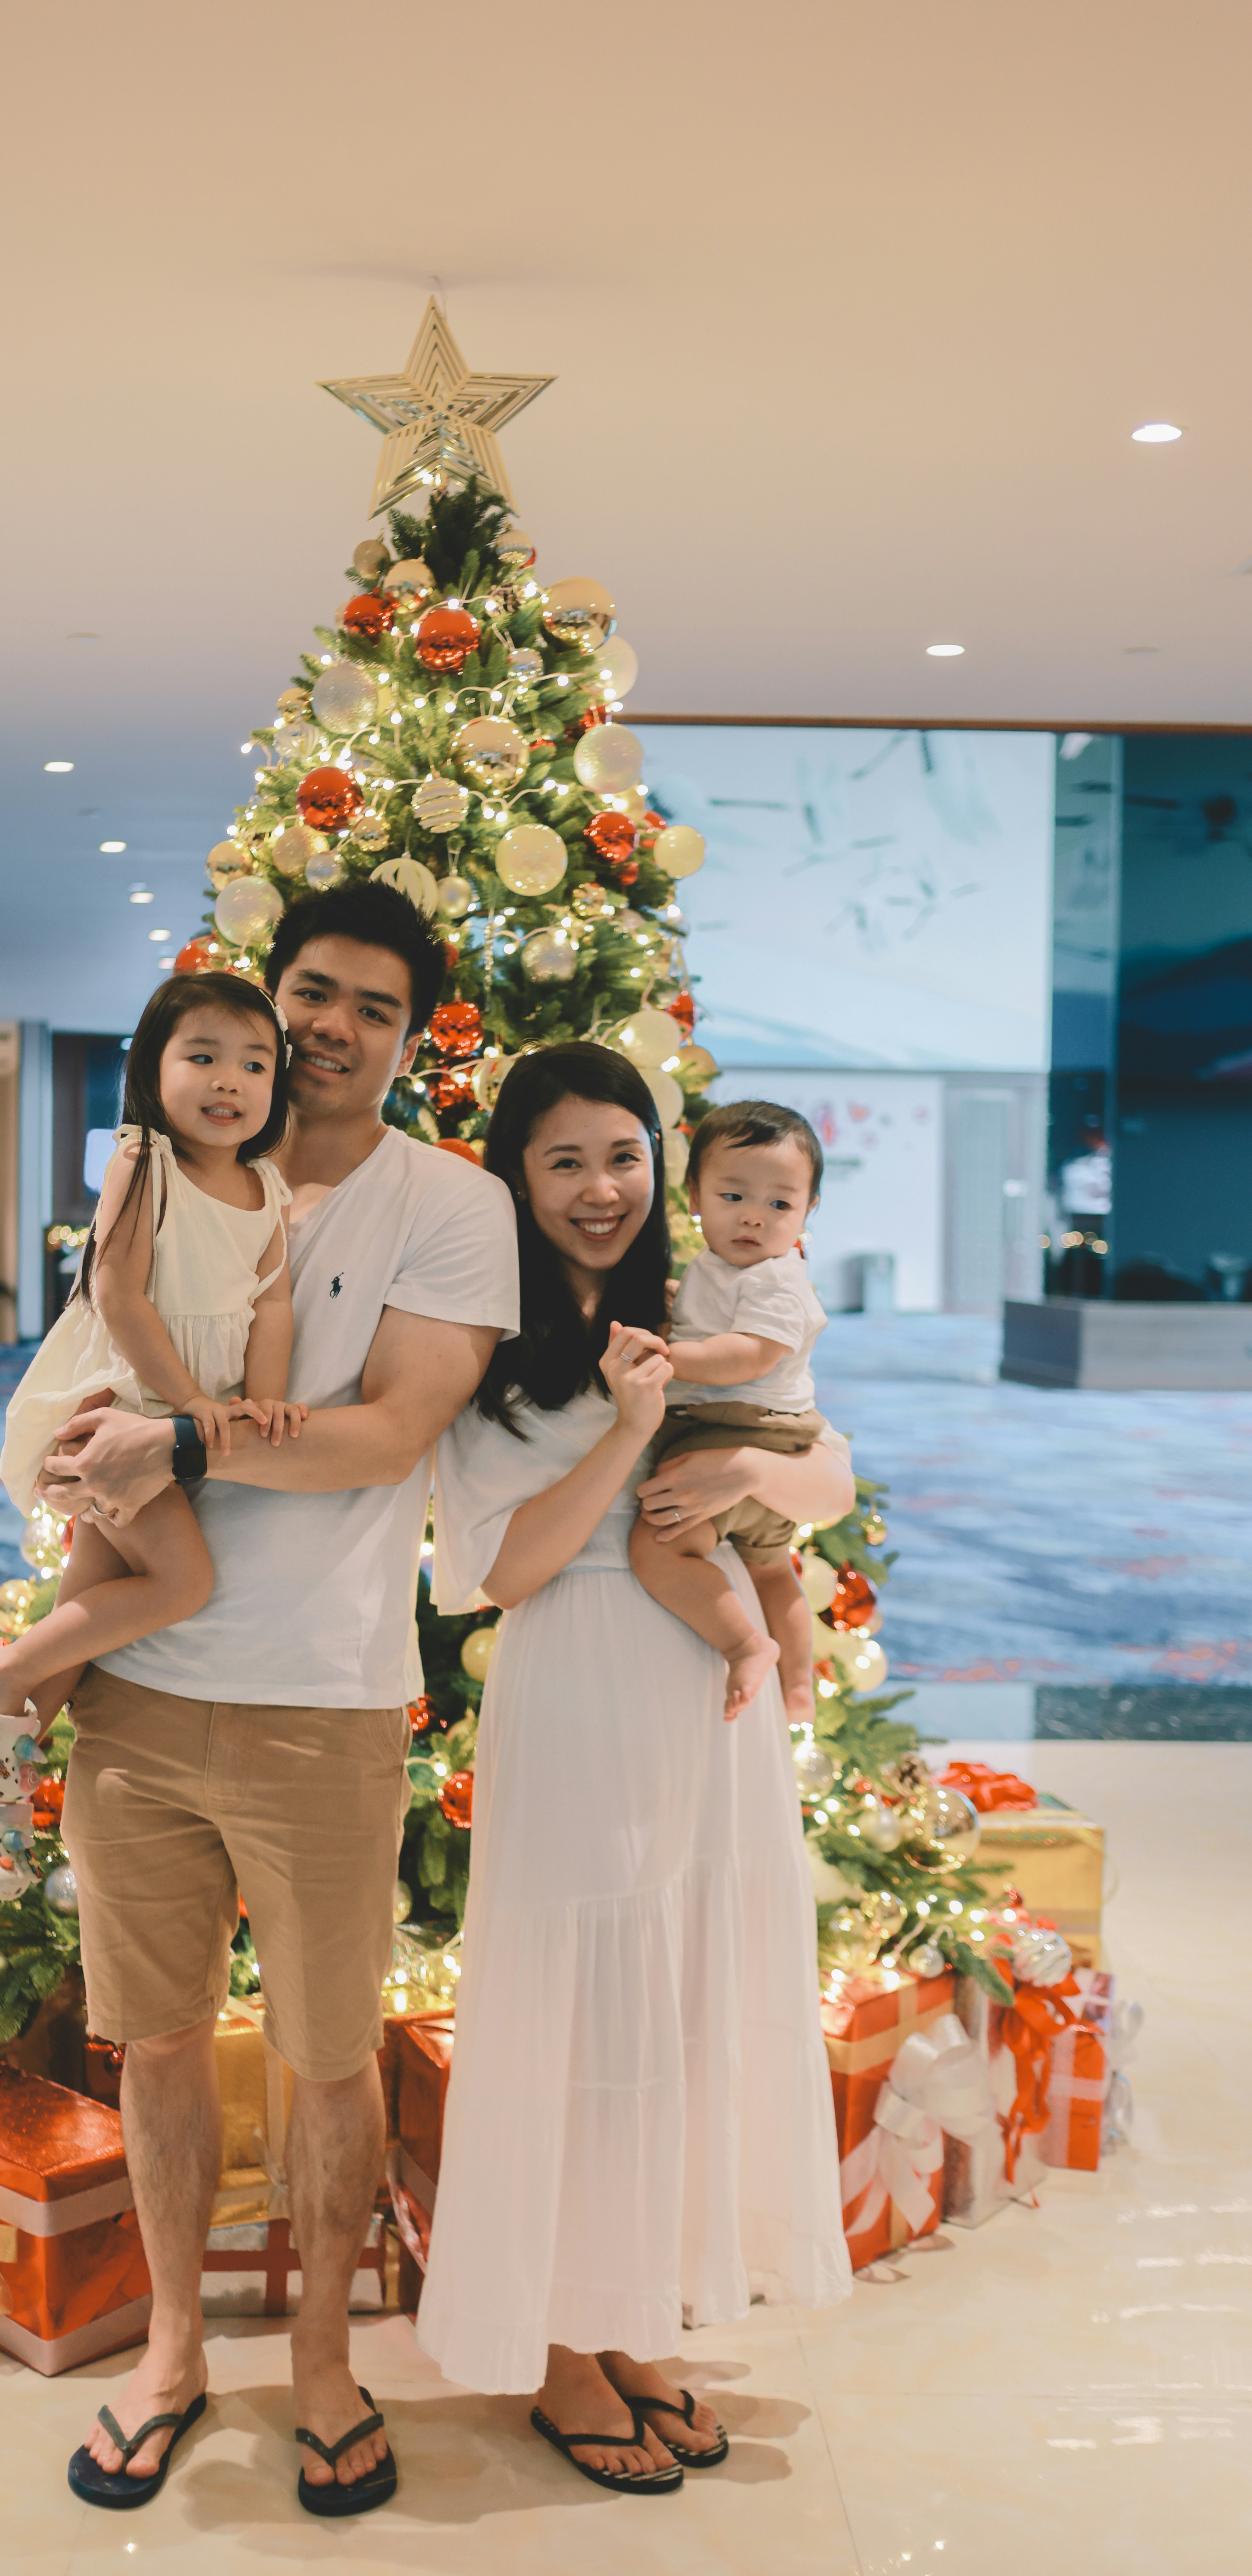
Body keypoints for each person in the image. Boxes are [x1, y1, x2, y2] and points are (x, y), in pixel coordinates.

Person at [32, 882, 520, 2515]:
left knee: (326, 2054)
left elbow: (387, 1434)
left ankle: (322, 2354)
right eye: (311, 989)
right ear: (264, 995)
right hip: (137, 1687)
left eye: (374, 1006)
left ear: (412, 1034)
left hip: (324, 1698)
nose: (330, 1026)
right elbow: (90, 1361)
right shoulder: (169, 1174)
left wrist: (181, 1439)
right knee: (158, 2039)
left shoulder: (447, 1201)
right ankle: (173, 2346)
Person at [417, 1043, 853, 2491]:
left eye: (622, 1157)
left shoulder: (703, 1294)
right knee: (582, 2012)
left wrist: (745, 1475)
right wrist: (629, 1435)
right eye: (563, 1161)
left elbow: (827, 1464)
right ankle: (558, 2345)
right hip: (580, 1680)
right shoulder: (487, 1344)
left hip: (708, 1695)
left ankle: (628, 2313)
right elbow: (500, 1571)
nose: (599, 1189)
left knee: (676, 2006)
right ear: (516, 1176)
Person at [0, 975, 299, 1898]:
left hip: (173, 1421)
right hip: (118, 1404)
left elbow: (273, 1305)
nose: (229, 1080)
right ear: (153, 1068)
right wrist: (189, 1402)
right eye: (203, 1056)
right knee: (183, 1581)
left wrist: (263, 1401)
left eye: (255, 1064)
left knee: (82, 1624)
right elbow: (117, 1293)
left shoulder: (268, 1186)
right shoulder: (145, 1162)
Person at [627, 1099, 835, 1725]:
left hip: (741, 1427)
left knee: (658, 1547)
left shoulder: (777, 1279)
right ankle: (797, 1687)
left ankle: (746, 1645)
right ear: (695, 1195)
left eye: (779, 1204)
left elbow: (747, 1355)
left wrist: (670, 1355)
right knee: (770, 1568)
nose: (753, 1217)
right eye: (733, 1196)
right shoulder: (719, 1269)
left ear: (807, 1210)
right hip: (757, 1431)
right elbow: (717, 1318)